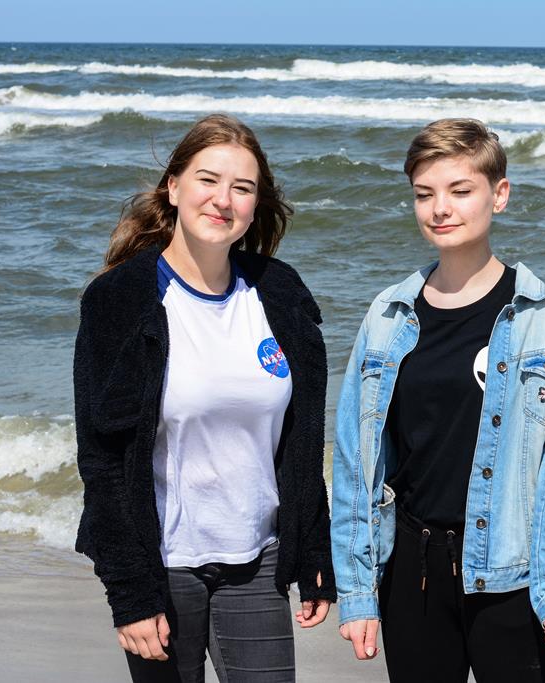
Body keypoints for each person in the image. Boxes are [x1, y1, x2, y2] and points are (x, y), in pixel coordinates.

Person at [73, 114, 334, 683]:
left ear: (255, 205)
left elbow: (301, 439)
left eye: (242, 188)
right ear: (173, 187)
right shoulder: (118, 300)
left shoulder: (279, 291)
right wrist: (130, 594)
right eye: (207, 180)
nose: (223, 200)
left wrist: (315, 554)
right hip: (163, 566)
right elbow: (102, 461)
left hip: (258, 561)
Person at [331, 118, 545, 682]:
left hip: (513, 575)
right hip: (413, 570)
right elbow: (356, 459)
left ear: (499, 194)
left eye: (459, 190)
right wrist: (357, 590)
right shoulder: (388, 316)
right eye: (424, 194)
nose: (440, 208)